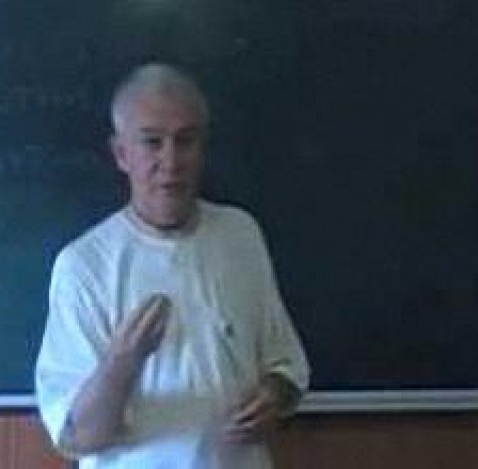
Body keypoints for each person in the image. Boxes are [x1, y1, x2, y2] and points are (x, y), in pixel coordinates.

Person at [35, 63, 310, 469]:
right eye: (152, 142)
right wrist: (123, 362)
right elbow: (78, 437)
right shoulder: (84, 266)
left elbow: (285, 366)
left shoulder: (241, 235)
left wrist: (273, 395)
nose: (171, 161)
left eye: (185, 141)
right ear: (121, 154)